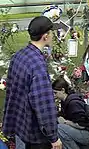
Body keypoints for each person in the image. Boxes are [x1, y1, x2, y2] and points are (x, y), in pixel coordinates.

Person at [3, 16, 62, 149]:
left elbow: (10, 91)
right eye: (52, 33)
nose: (53, 36)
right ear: (45, 36)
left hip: (20, 125)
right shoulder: (37, 65)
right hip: (35, 133)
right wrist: (53, 137)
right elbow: (43, 103)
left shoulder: (19, 55)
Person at [52, 76, 89, 149]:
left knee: (59, 129)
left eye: (55, 93)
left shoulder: (73, 103)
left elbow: (81, 124)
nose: (54, 96)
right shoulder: (66, 101)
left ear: (63, 90)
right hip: (87, 132)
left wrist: (65, 122)